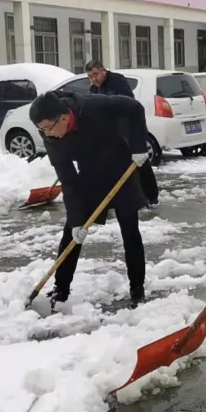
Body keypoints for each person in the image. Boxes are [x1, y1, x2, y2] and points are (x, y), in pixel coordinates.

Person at [29, 88, 151, 307]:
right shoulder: (51, 136)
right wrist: (77, 220)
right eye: (41, 130)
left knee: (129, 227)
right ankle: (61, 288)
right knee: (71, 232)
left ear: (64, 118)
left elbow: (134, 108)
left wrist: (139, 146)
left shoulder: (95, 106)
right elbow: (68, 179)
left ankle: (137, 287)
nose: (47, 134)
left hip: (122, 165)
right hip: (90, 173)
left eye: (48, 128)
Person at [85, 60, 160, 206]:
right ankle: (124, 196)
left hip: (132, 128)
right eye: (90, 77)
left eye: (95, 75)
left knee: (140, 163)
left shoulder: (117, 81)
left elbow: (129, 106)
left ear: (103, 71)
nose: (93, 79)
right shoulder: (94, 89)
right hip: (114, 132)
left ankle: (151, 196)